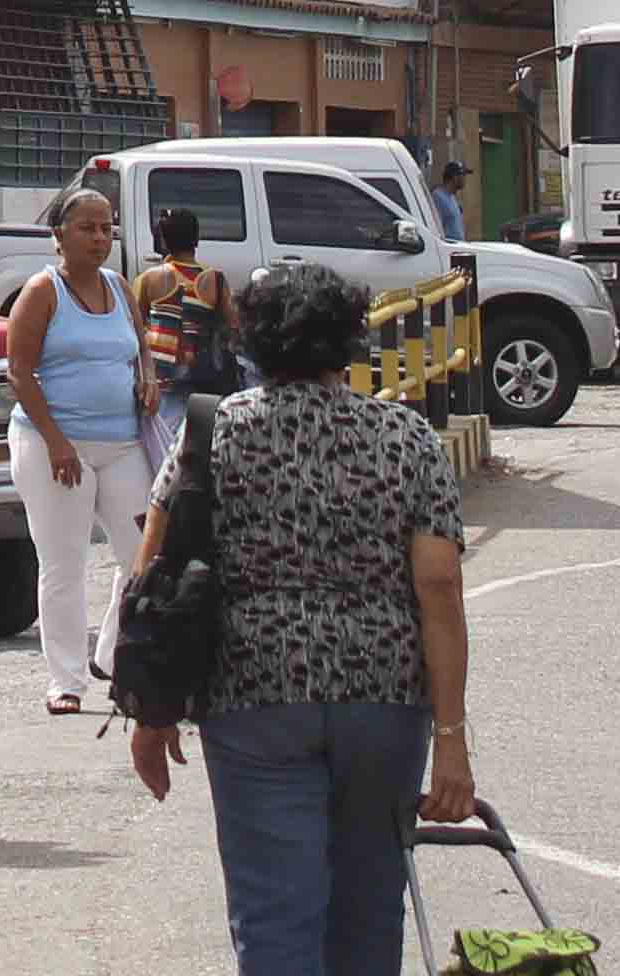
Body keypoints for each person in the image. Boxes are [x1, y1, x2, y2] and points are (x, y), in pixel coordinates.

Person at [123, 259, 478, 976]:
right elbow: (437, 584)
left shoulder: (209, 432)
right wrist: (451, 736)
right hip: (384, 698)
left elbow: (152, 575)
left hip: (252, 697)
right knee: (371, 904)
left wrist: (149, 713)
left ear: (252, 343)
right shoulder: (407, 439)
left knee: (274, 913)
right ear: (352, 343)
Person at [0, 187, 154, 713]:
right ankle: (66, 681)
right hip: (53, 445)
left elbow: (141, 346)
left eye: (107, 227)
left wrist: (149, 378)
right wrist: (57, 441)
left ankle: (110, 654)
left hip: (122, 442)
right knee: (63, 564)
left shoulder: (119, 287)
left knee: (144, 556)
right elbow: (19, 372)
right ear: (59, 235)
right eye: (87, 227)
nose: (99, 237)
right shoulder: (42, 291)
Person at [133, 199, 237, 472]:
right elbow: (234, 326)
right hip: (201, 377)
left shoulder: (150, 278)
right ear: (196, 239)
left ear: (164, 241)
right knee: (195, 450)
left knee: (160, 453)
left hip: (161, 376)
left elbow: (133, 324)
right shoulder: (215, 280)